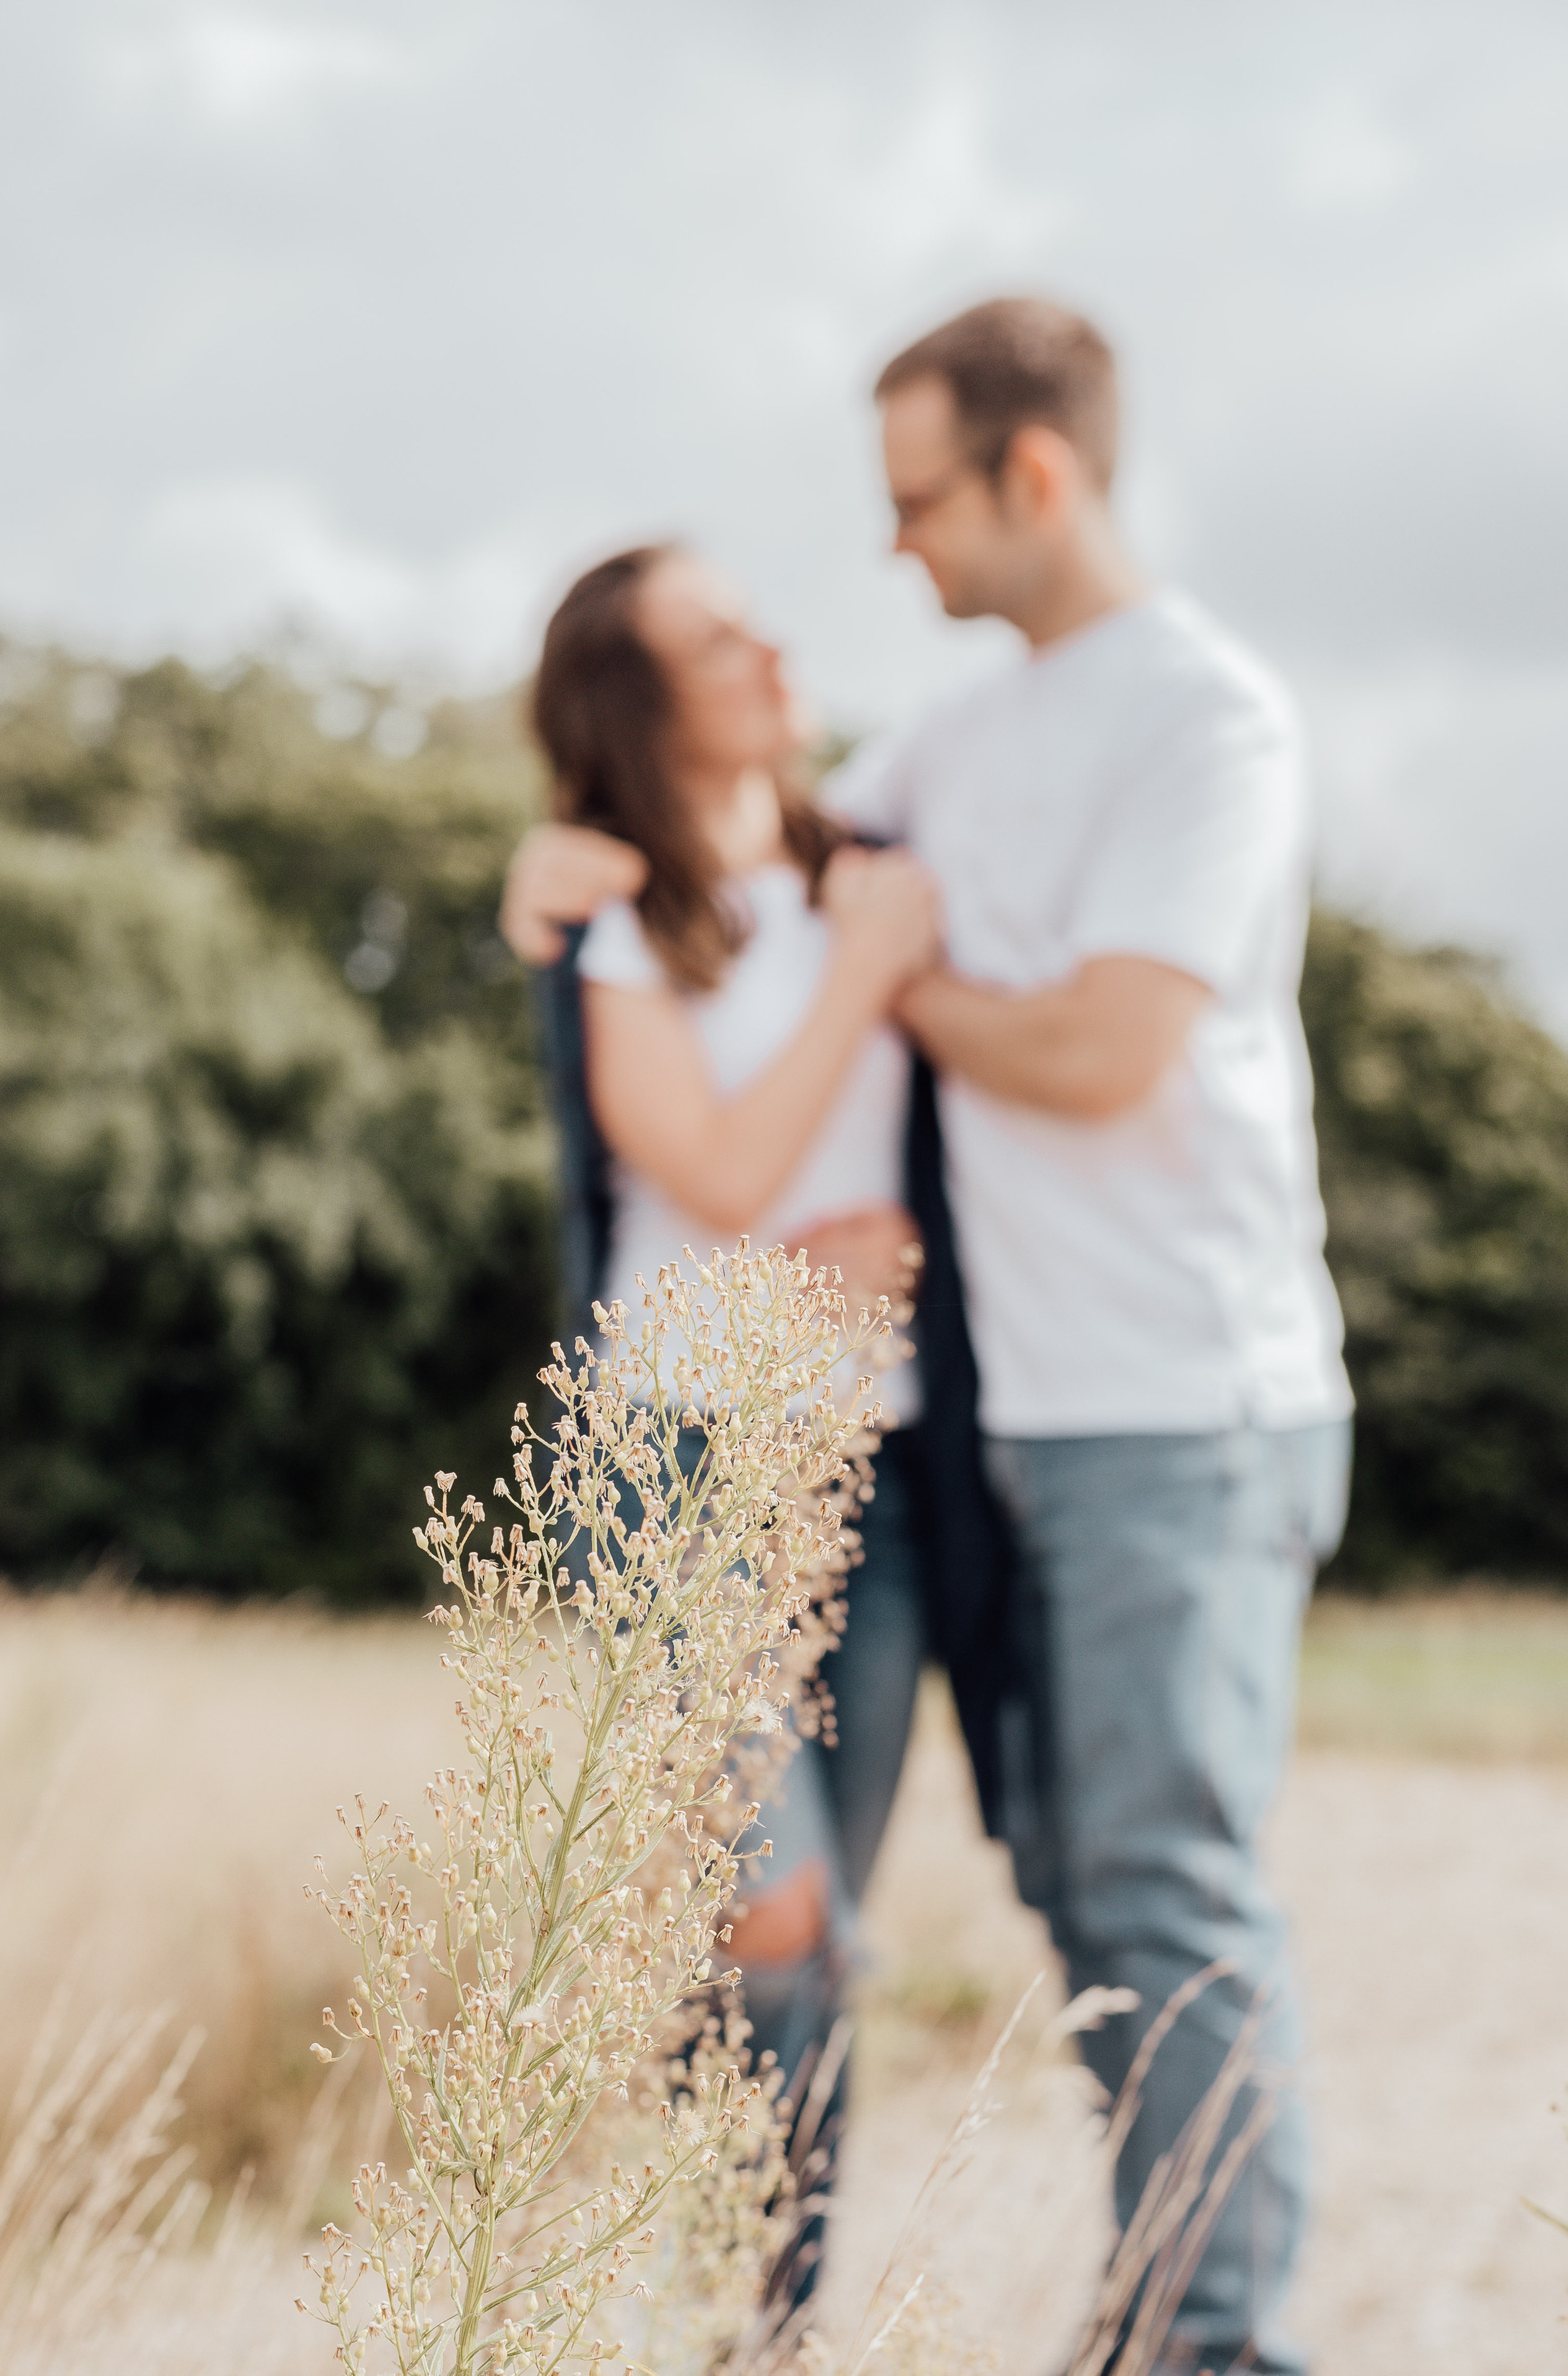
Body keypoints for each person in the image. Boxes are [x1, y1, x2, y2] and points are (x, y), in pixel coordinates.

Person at [506, 297, 1354, 2375]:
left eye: (916, 503)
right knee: (942, 1904)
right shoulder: (938, 760)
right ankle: (773, 2324)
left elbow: (1100, 1049)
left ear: (1032, 475)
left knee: (1149, 1892)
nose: (881, 562)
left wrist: (891, 974)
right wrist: (539, 899)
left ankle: (1208, 2344)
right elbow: (717, 957)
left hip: (1164, 1402)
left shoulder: (1206, 719)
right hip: (934, 1435)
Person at [524, 540, 953, 2222]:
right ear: (639, 699)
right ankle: (716, 2289)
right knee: (762, 1906)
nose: (766, 639)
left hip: (881, 1452)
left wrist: (923, 1255)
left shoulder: (875, 861)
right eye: (714, 633)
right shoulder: (615, 916)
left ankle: (746, 2307)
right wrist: (863, 968)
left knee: (813, 1927)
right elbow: (713, 1167)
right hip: (680, 1453)